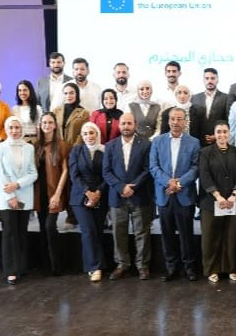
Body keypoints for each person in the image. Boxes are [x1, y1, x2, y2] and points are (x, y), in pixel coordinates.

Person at [150, 107, 201, 282]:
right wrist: (168, 182)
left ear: (185, 122)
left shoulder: (194, 142)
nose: (175, 122)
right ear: (168, 121)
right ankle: (171, 267)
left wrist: (179, 183)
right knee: (167, 234)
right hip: (164, 194)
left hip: (184, 194)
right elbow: (153, 167)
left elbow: (195, 168)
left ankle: (189, 267)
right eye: (172, 119)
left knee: (187, 234)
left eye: (179, 119)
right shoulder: (157, 141)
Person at [103, 113, 156, 281]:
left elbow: (148, 169)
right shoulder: (110, 146)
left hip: (140, 195)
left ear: (135, 124)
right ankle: (122, 264)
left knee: (142, 232)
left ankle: (142, 265)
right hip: (117, 197)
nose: (126, 126)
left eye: (129, 123)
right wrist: (121, 187)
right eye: (123, 123)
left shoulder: (146, 144)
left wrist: (133, 186)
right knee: (118, 233)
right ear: (119, 125)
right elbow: (106, 171)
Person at [198, 121, 236, 284]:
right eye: (218, 132)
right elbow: (204, 176)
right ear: (214, 134)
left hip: (233, 202)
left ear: (229, 133)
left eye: (225, 131)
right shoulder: (205, 152)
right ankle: (212, 269)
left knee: (231, 236)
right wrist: (218, 196)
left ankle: (232, 268)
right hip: (211, 202)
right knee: (211, 236)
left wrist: (234, 195)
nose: (222, 135)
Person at [0, 117, 38, 285]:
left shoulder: (29, 148)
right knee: (10, 232)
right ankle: (10, 270)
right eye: (11, 127)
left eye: (17, 127)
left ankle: (21, 267)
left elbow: (33, 173)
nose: (14, 131)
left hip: (24, 194)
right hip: (6, 197)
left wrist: (17, 184)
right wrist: (10, 196)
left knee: (21, 232)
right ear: (6, 129)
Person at [69, 123, 109, 282]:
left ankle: (95, 264)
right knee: (88, 230)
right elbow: (74, 175)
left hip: (100, 195)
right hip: (80, 197)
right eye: (85, 133)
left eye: (91, 133)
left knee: (97, 231)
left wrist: (98, 193)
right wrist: (88, 193)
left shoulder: (105, 150)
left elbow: (108, 174)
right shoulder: (76, 150)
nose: (88, 136)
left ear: (97, 134)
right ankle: (95, 267)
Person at [35, 112, 71, 274]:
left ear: (55, 125)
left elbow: (65, 171)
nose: (47, 125)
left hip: (54, 191)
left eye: (50, 122)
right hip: (39, 193)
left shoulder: (63, 145)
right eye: (44, 122)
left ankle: (57, 266)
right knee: (43, 229)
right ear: (40, 125)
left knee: (50, 227)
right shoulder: (36, 145)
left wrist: (57, 194)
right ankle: (45, 264)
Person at [191, 68, 232, 147]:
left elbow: (228, 120)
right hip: (198, 141)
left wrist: (216, 135)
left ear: (217, 80)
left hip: (219, 141)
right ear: (203, 80)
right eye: (207, 78)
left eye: (213, 78)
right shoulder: (194, 98)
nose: (210, 81)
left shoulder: (226, 98)